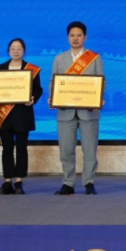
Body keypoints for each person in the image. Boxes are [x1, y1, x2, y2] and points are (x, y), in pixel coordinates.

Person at [0, 38, 42, 195]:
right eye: (13, 48)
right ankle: (7, 181)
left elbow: (38, 89)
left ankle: (19, 182)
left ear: (24, 51)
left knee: (21, 149)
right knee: (6, 150)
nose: (16, 51)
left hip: (23, 115)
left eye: (19, 48)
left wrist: (33, 98)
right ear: (8, 51)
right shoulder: (0, 68)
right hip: (5, 116)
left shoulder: (31, 69)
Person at [51, 21, 103, 195]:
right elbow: (53, 82)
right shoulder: (59, 59)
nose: (75, 38)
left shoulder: (94, 58)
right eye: (72, 35)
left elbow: (101, 81)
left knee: (90, 150)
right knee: (66, 150)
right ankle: (68, 183)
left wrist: (98, 99)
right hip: (65, 112)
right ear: (68, 37)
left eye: (79, 35)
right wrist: (52, 97)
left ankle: (89, 182)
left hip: (89, 112)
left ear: (85, 37)